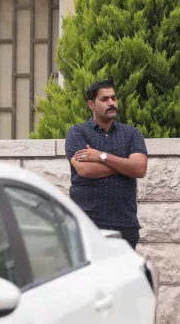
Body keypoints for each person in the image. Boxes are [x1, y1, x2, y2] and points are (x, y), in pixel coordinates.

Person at [65, 79, 148, 249]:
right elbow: (85, 169)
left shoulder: (132, 133)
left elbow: (139, 168)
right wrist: (124, 166)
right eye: (104, 99)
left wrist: (100, 156)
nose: (111, 103)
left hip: (125, 223)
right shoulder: (77, 133)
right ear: (91, 104)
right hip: (88, 223)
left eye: (114, 98)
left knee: (125, 276)